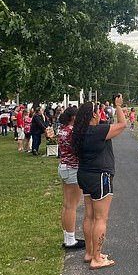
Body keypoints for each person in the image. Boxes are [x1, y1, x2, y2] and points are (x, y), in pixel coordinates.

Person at [73, 95, 127, 269]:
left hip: (85, 175)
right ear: (94, 115)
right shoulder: (98, 132)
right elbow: (123, 125)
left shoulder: (79, 132)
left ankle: (90, 252)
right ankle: (97, 258)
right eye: (98, 111)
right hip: (100, 176)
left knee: (89, 215)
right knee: (101, 218)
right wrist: (118, 106)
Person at [56, 106, 86, 250]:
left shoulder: (62, 129)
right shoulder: (72, 132)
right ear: (74, 117)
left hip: (64, 166)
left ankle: (67, 236)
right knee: (72, 206)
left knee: (67, 204)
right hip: (73, 168)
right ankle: (70, 240)